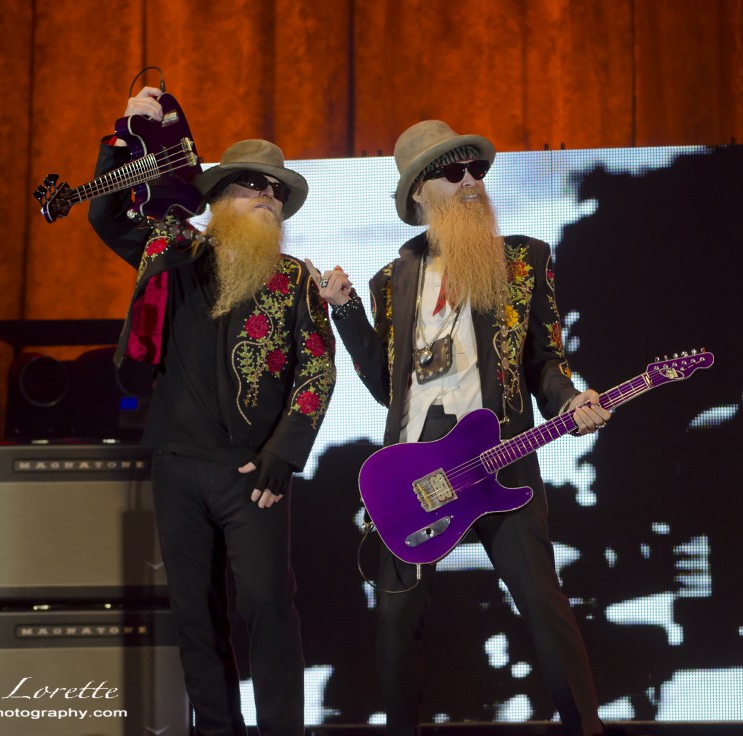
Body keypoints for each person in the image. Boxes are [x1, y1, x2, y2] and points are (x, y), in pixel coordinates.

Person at [306, 119, 610, 735]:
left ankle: (587, 730)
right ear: (420, 191)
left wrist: (569, 402)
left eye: (476, 170)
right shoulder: (393, 280)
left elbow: (544, 359)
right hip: (414, 466)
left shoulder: (524, 260)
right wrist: (346, 312)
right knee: (395, 619)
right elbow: (386, 385)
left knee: (543, 603)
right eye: (453, 172)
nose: (471, 181)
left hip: (499, 456)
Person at [87, 87, 337, 736]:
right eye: (253, 185)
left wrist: (284, 456)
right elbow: (107, 215)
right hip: (175, 465)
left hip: (251, 475)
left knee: (269, 610)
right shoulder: (173, 254)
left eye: (277, 190)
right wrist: (128, 134)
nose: (267, 197)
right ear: (219, 196)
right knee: (196, 618)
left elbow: (317, 370)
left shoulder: (293, 280)